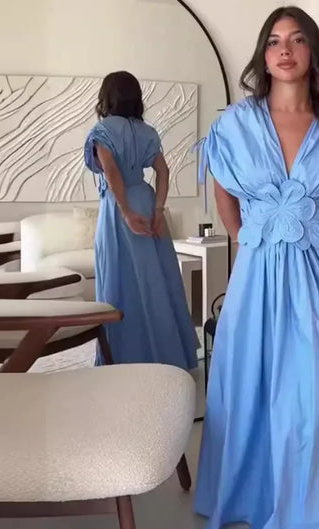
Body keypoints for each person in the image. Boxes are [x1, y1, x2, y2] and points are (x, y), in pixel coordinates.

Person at [194, 7, 319, 529]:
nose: (285, 50)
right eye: (274, 41)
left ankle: (309, 502)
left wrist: (302, 231)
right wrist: (247, 239)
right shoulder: (236, 123)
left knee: (313, 388)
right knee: (249, 379)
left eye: (297, 39)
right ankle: (254, 494)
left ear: (312, 50)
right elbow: (223, 192)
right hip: (257, 270)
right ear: (264, 55)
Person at [84, 71, 198, 371]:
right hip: (146, 202)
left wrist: (124, 211)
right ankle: (169, 355)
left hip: (118, 208)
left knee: (119, 281)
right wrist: (158, 210)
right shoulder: (147, 131)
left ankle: (122, 357)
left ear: (107, 97)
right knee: (158, 280)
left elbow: (111, 172)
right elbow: (163, 171)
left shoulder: (102, 131)